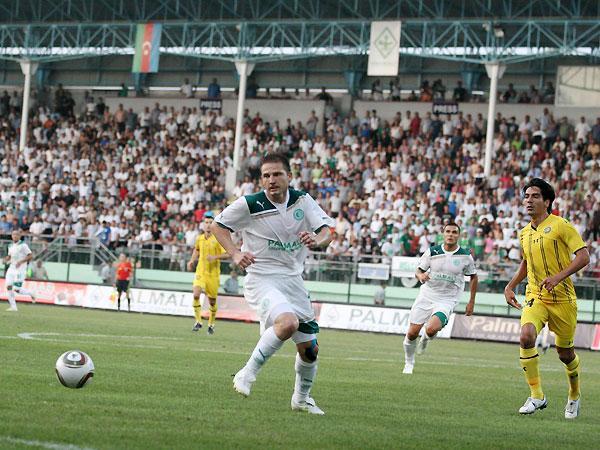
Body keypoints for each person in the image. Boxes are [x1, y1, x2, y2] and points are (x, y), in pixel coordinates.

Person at [211, 153, 334, 415]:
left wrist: (317, 240)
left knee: (310, 350)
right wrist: (234, 253)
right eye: (266, 176)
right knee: (288, 323)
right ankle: (246, 374)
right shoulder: (250, 204)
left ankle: (301, 400)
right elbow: (217, 226)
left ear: (289, 176)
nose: (271, 180)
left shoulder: (302, 200)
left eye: (277, 174)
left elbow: (327, 232)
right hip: (261, 278)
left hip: (293, 280)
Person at [504, 178, 590, 419]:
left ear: (547, 201)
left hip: (563, 300)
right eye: (526, 196)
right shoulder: (524, 233)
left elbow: (584, 257)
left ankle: (574, 394)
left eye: (534, 196)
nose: (528, 201)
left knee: (565, 354)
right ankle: (537, 395)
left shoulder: (561, 225)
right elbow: (526, 263)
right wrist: (510, 286)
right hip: (536, 295)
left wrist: (558, 277)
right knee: (526, 335)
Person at [403, 223, 478, 374]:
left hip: (447, 299)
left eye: (454, 232)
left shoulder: (465, 256)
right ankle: (409, 363)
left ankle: (425, 338)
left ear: (459, 235)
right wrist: (421, 276)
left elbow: (474, 277)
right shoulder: (432, 251)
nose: (451, 234)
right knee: (411, 333)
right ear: (443, 234)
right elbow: (418, 270)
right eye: (448, 231)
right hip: (427, 295)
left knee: (431, 329)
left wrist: (471, 301)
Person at [187, 211, 229, 334]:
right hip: (201, 272)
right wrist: (191, 260)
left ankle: (211, 324)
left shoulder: (218, 239)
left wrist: (215, 257)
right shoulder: (199, 238)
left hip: (213, 275)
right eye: (206, 222)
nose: (208, 225)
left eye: (210, 222)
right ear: (203, 225)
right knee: (196, 294)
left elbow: (228, 254)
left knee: (212, 301)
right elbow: (196, 250)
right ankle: (198, 321)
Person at [4, 230, 36, 311]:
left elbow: (30, 256)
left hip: (20, 269)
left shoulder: (23, 245)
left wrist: (21, 262)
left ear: (20, 236)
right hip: (11, 268)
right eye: (13, 234)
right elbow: (10, 256)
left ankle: (31, 293)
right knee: (8, 287)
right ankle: (13, 307)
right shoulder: (10, 245)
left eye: (17, 235)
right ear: (11, 236)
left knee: (16, 289)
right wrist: (6, 259)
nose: (15, 236)